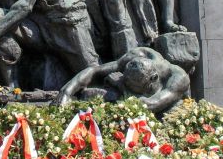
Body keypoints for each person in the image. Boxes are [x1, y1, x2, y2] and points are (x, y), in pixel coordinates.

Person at [55, 47, 190, 115]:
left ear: (153, 79)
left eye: (131, 85)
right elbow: (94, 71)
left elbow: (150, 105)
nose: (124, 82)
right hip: (131, 109)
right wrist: (66, 92)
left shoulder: (178, 79)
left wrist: (120, 86)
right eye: (124, 79)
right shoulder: (138, 55)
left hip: (163, 114)